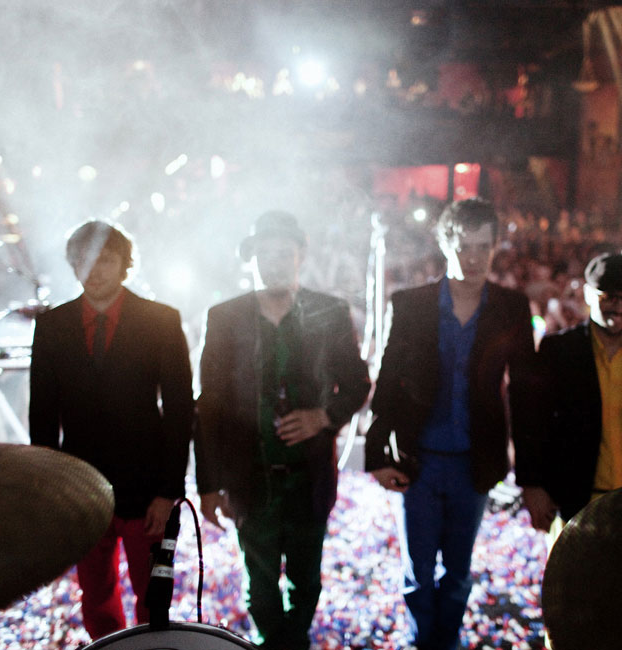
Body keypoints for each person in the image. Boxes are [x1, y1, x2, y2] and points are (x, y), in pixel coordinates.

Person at [365, 198, 541, 650]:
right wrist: (375, 454)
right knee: (418, 570)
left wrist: (532, 476)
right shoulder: (412, 304)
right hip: (418, 458)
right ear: (445, 244)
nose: (474, 257)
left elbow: (526, 393)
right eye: (464, 245)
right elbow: (389, 380)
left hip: (474, 460)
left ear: (495, 247)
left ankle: (445, 642)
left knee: (459, 571)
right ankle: (422, 640)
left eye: (483, 246)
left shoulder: (511, 307)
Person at [195, 211, 370, 650]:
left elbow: (357, 383)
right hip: (249, 477)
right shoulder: (225, 317)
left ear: (300, 256)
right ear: (251, 258)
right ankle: (277, 643)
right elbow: (209, 406)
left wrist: (323, 416)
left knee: (306, 579)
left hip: (309, 476)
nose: (274, 263)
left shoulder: (329, 312)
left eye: (283, 253)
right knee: (259, 583)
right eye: (265, 254)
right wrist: (208, 485)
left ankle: (288, 643)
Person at [29, 220, 193, 640]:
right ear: (73, 265)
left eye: (105, 259)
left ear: (124, 263)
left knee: (153, 595)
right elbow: (43, 415)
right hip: (81, 484)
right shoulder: (52, 326)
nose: (95, 269)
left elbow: (179, 410)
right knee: (95, 594)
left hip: (146, 484)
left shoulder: (160, 320)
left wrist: (168, 490)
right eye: (84, 260)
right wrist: (51, 490)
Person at [520, 252, 622, 532]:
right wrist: (532, 485)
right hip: (573, 497)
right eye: (609, 298)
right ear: (588, 294)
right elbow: (533, 422)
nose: (619, 308)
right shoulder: (558, 351)